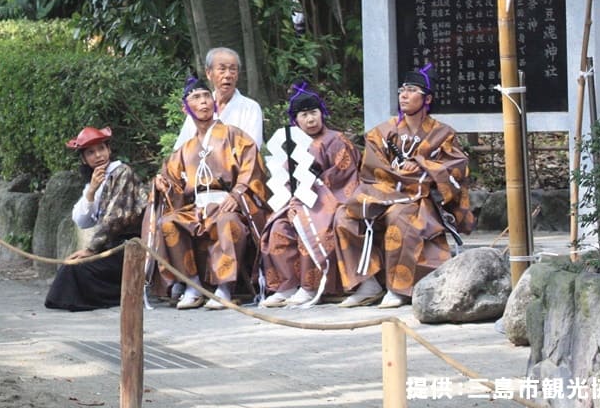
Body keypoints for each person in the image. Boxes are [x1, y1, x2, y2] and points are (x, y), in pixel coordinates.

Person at [334, 65, 475, 308]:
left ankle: (398, 287)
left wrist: (421, 164)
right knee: (343, 216)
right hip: (382, 192)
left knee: (400, 218)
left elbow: (456, 168)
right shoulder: (382, 132)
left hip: (421, 199)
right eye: (402, 90)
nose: (404, 95)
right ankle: (366, 282)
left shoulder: (443, 133)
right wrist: (397, 174)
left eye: (411, 90)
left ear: (427, 98)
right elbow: (372, 168)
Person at [154, 76, 269, 310]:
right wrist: (160, 182)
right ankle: (192, 285)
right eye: (196, 98)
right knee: (168, 223)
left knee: (227, 222)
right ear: (185, 107)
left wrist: (236, 195)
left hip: (228, 205)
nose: (204, 101)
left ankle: (224, 288)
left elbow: (252, 168)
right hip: (198, 208)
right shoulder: (185, 149)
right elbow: (173, 183)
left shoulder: (234, 135)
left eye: (207, 96)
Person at [259, 81, 360, 308]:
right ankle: (286, 286)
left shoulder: (336, 140)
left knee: (309, 225)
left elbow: (344, 176)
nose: (311, 119)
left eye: (314, 112)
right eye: (304, 115)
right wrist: (290, 198)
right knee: (277, 227)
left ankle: (310, 286)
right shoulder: (293, 144)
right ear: (296, 120)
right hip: (298, 201)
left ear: (322, 113)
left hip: (327, 200)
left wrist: (310, 192)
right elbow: (284, 177)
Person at [45, 126, 145, 312]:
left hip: (127, 246)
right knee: (69, 268)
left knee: (77, 269)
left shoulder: (122, 172)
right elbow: (81, 221)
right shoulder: (95, 179)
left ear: (109, 150)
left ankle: (123, 294)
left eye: (101, 149)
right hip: (108, 244)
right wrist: (91, 190)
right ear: (84, 158)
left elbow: (115, 217)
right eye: (91, 152)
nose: (98, 155)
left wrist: (91, 249)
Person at [174, 47, 264, 151]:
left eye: (233, 69)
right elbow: (181, 148)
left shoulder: (250, 108)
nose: (228, 75)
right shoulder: (199, 106)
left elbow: (251, 149)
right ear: (209, 73)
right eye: (222, 69)